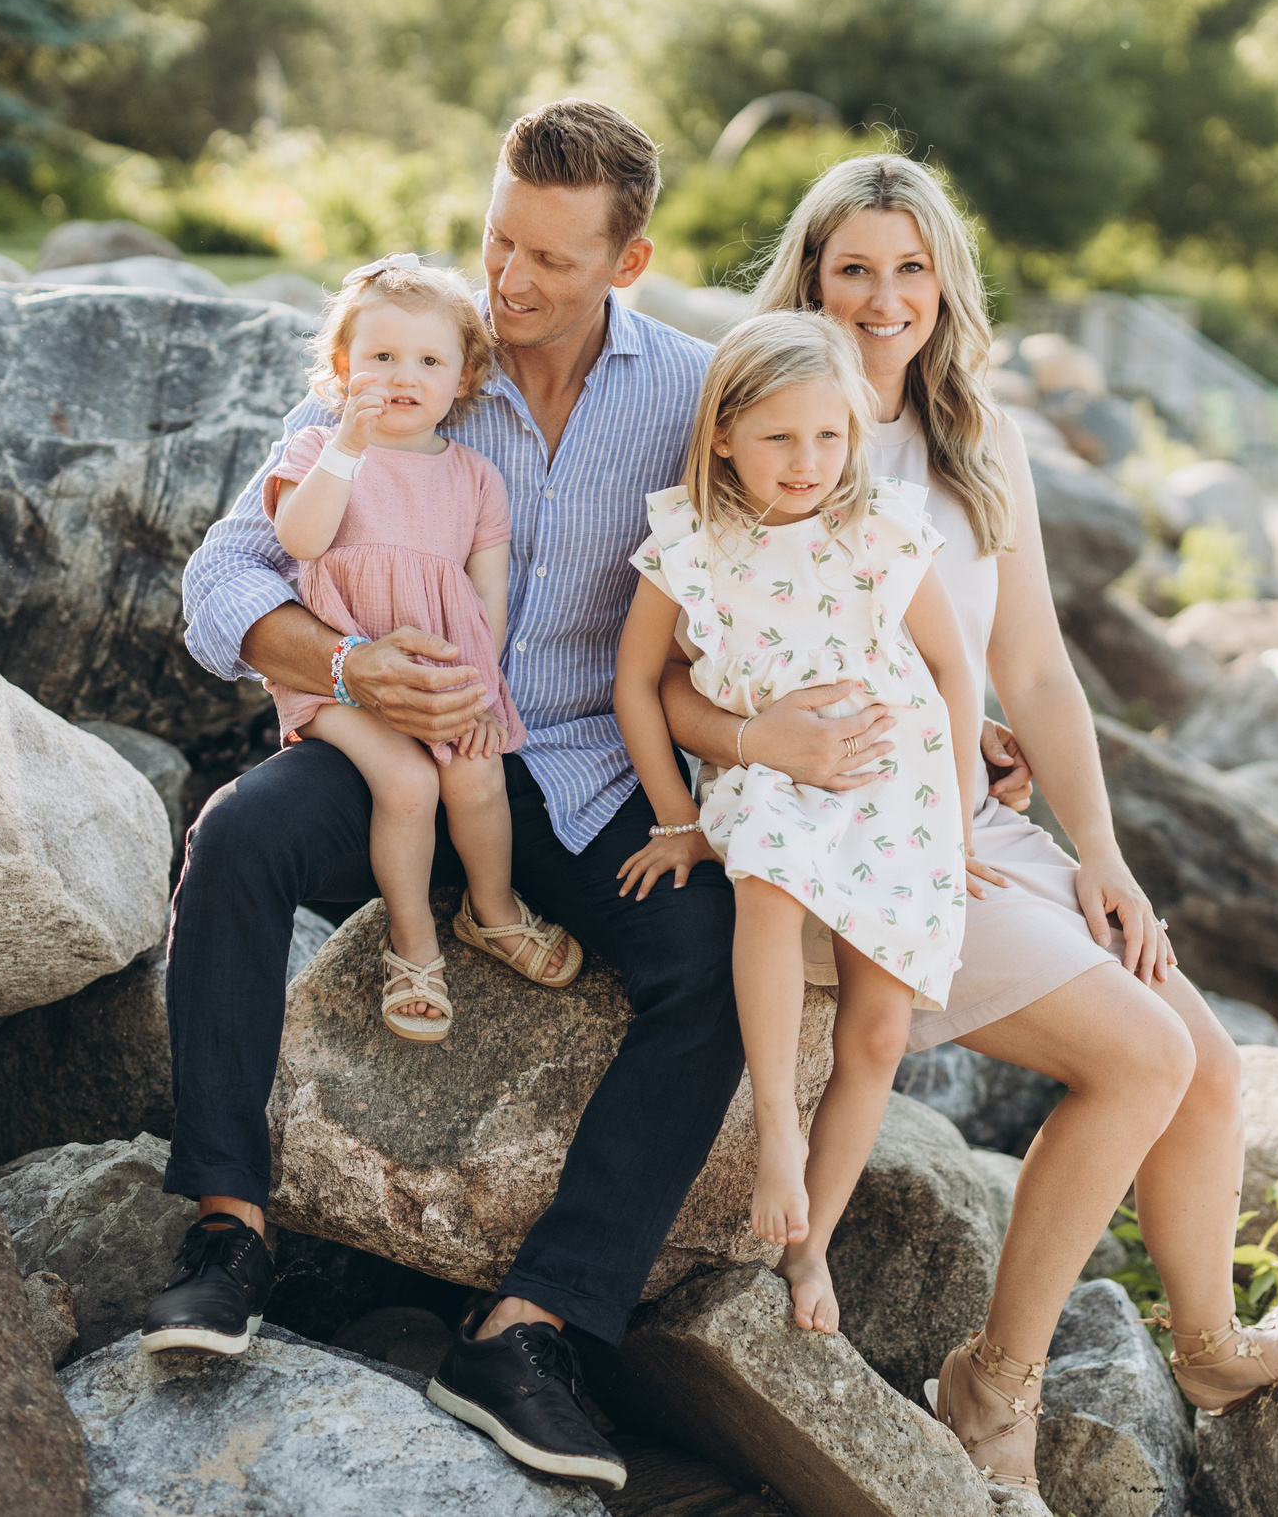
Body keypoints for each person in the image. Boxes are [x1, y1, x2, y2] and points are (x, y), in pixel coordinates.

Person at [149, 99, 874, 1493]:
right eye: (498, 241)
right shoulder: (412, 354)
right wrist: (351, 662)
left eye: (549, 257)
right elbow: (222, 578)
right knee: (236, 836)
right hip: (402, 747)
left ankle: (527, 1326)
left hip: (599, 768)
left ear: (630, 258)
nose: (510, 281)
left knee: (717, 967)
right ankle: (227, 1226)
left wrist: (971, 735)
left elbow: (817, 536)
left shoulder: (691, 390)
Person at [658, 153, 1278, 1502]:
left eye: (911, 269)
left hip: (975, 822)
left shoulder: (977, 436)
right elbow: (676, 673)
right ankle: (996, 1384)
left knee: (1209, 1063)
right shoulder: (776, 420)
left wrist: (1101, 851)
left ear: (948, 282)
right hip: (841, 845)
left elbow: (1037, 670)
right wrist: (768, 739)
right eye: (855, 268)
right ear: (811, 276)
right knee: (1136, 1057)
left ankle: (1213, 1346)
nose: (885, 299)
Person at [612, 310, 985, 1334]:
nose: (808, 461)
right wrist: (678, 815)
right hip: (771, 771)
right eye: (780, 437)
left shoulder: (878, 529)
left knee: (881, 1027)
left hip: (896, 779)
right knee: (765, 871)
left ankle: (808, 1249)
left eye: (829, 437)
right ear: (724, 433)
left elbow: (955, 672)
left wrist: (955, 821)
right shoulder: (690, 543)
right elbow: (637, 684)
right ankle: (777, 1128)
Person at [252, 253, 578, 1049]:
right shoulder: (321, 452)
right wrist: (347, 447)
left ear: (464, 377)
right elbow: (298, 538)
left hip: (446, 676)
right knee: (405, 781)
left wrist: (479, 683)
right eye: (382, 357)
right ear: (343, 368)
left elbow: (489, 590)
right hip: (343, 683)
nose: (405, 375)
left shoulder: (474, 477)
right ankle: (412, 944)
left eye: (429, 360)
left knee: (476, 774)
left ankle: (490, 910)